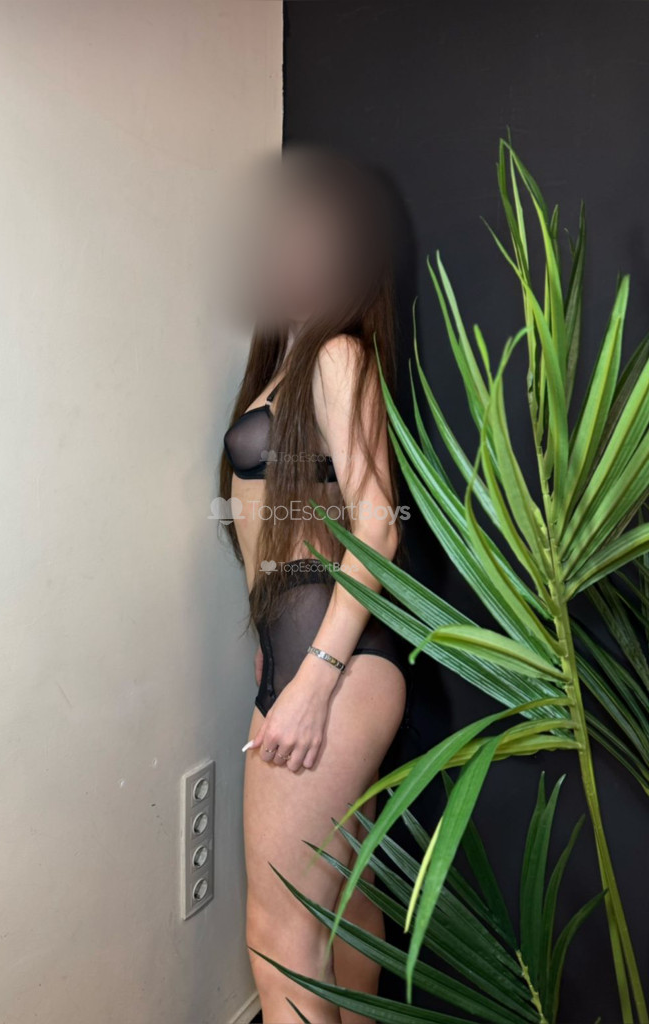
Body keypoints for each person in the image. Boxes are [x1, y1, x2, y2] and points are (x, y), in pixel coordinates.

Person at [217, 143, 411, 1024]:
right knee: (345, 909)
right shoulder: (286, 362)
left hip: (327, 658)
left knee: (279, 931)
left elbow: (379, 524)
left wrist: (312, 681)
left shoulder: (337, 354)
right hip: (302, 648)